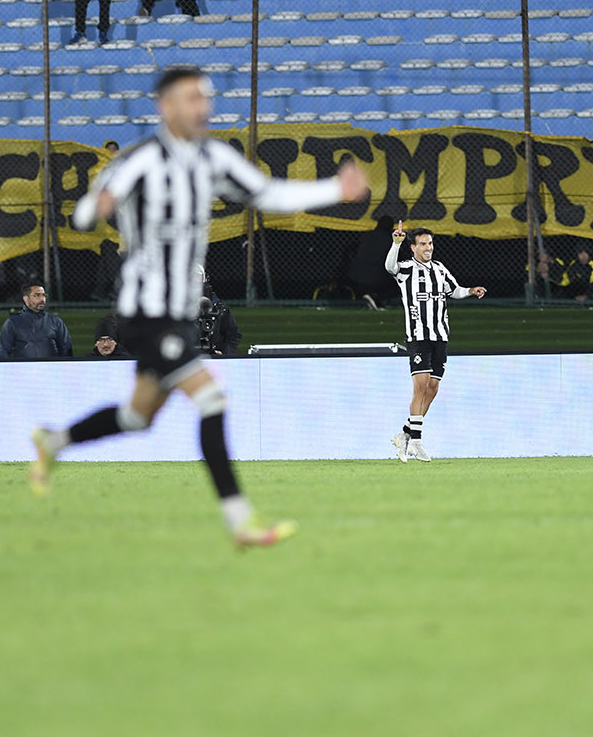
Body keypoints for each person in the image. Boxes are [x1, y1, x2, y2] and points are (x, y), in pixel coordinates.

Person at [30, 66, 370, 548]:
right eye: (192, 97)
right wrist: (99, 205)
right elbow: (84, 213)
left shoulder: (212, 157)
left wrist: (334, 190)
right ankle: (241, 524)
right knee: (212, 397)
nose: (203, 106)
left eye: (206, 97)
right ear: (165, 106)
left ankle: (54, 442)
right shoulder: (139, 161)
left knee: (137, 417)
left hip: (180, 313)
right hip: (146, 310)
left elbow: (266, 193)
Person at [385, 221, 486, 463]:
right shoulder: (407, 268)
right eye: (423, 244)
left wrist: (471, 290)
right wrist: (395, 243)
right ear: (413, 247)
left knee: (433, 388)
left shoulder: (439, 269)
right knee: (420, 387)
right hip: (419, 336)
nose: (428, 248)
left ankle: (406, 434)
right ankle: (417, 442)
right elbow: (390, 268)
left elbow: (455, 290)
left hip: (441, 335)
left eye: (430, 243)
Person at [0, 282, 73, 358]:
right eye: (37, 295)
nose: (42, 299)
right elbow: (3, 352)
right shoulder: (12, 323)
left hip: (50, 369)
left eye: (44, 295)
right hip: (24, 369)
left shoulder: (56, 321)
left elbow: (66, 350)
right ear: (26, 299)